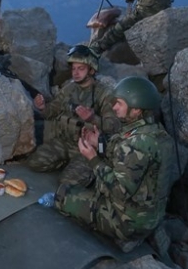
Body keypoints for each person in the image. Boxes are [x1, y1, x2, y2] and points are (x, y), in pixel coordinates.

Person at [54, 75, 166, 252]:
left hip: (127, 220)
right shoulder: (150, 131)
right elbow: (124, 159)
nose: (114, 108)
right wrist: (99, 143)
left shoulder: (136, 143)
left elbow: (119, 191)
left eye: (120, 104)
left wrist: (93, 158)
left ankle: (122, 236)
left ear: (136, 110)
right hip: (147, 212)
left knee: (63, 194)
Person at [25, 44, 120, 184]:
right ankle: (66, 163)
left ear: (92, 70)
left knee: (67, 181)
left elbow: (114, 126)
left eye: (81, 69)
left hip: (88, 148)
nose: (75, 73)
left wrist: (93, 119)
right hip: (65, 141)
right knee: (35, 163)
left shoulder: (104, 94)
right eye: (74, 68)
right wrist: (42, 108)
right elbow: (53, 111)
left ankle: (90, 171)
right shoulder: (69, 88)